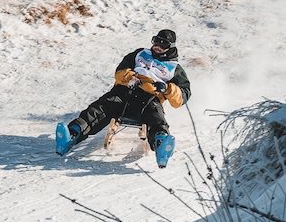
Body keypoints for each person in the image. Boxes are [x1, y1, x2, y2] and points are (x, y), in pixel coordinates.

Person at [56, 29, 191, 164]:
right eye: (156, 41)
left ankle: (161, 144)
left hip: (149, 99)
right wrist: (130, 77)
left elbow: (183, 95)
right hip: (125, 92)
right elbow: (120, 70)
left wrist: (167, 88)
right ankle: (73, 133)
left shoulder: (174, 68)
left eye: (163, 44)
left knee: (155, 117)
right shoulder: (140, 54)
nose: (158, 47)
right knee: (100, 108)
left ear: (171, 47)